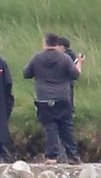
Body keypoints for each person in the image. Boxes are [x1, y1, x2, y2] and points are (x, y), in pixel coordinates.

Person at [22, 32, 83, 164]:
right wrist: (80, 63)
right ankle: (73, 156)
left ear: (45, 43)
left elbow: (26, 73)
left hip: (44, 98)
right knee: (66, 127)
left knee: (50, 127)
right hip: (63, 97)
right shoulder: (65, 58)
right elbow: (75, 75)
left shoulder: (37, 58)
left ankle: (51, 157)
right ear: (57, 43)